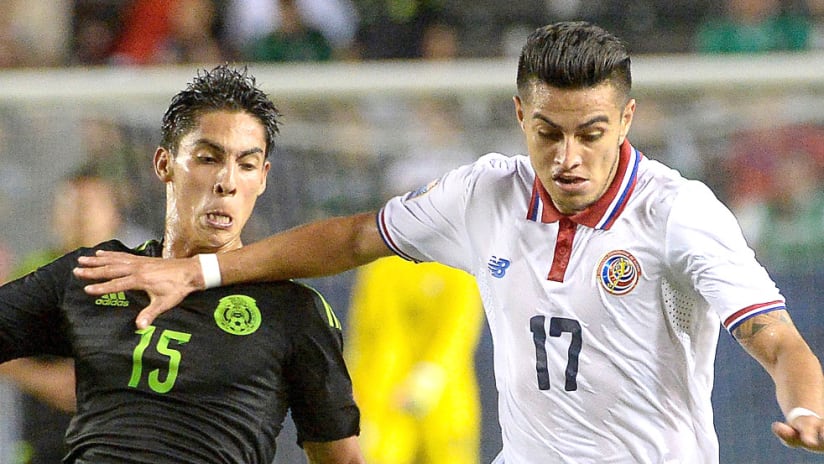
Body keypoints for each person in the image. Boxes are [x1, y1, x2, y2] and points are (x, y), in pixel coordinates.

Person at [74, 22, 824, 462]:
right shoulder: (486, 194)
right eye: (547, 132)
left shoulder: (678, 215)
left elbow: (777, 340)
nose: (567, 157)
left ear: (626, 121)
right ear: (518, 115)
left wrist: (810, 407)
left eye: (590, 134)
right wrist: (204, 271)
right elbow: (353, 237)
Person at [0, 64, 364, 463]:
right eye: (208, 158)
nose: (227, 181)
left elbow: (341, 457)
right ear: (164, 164)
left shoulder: (293, 310)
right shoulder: (96, 272)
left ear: (262, 179)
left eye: (245, 164)